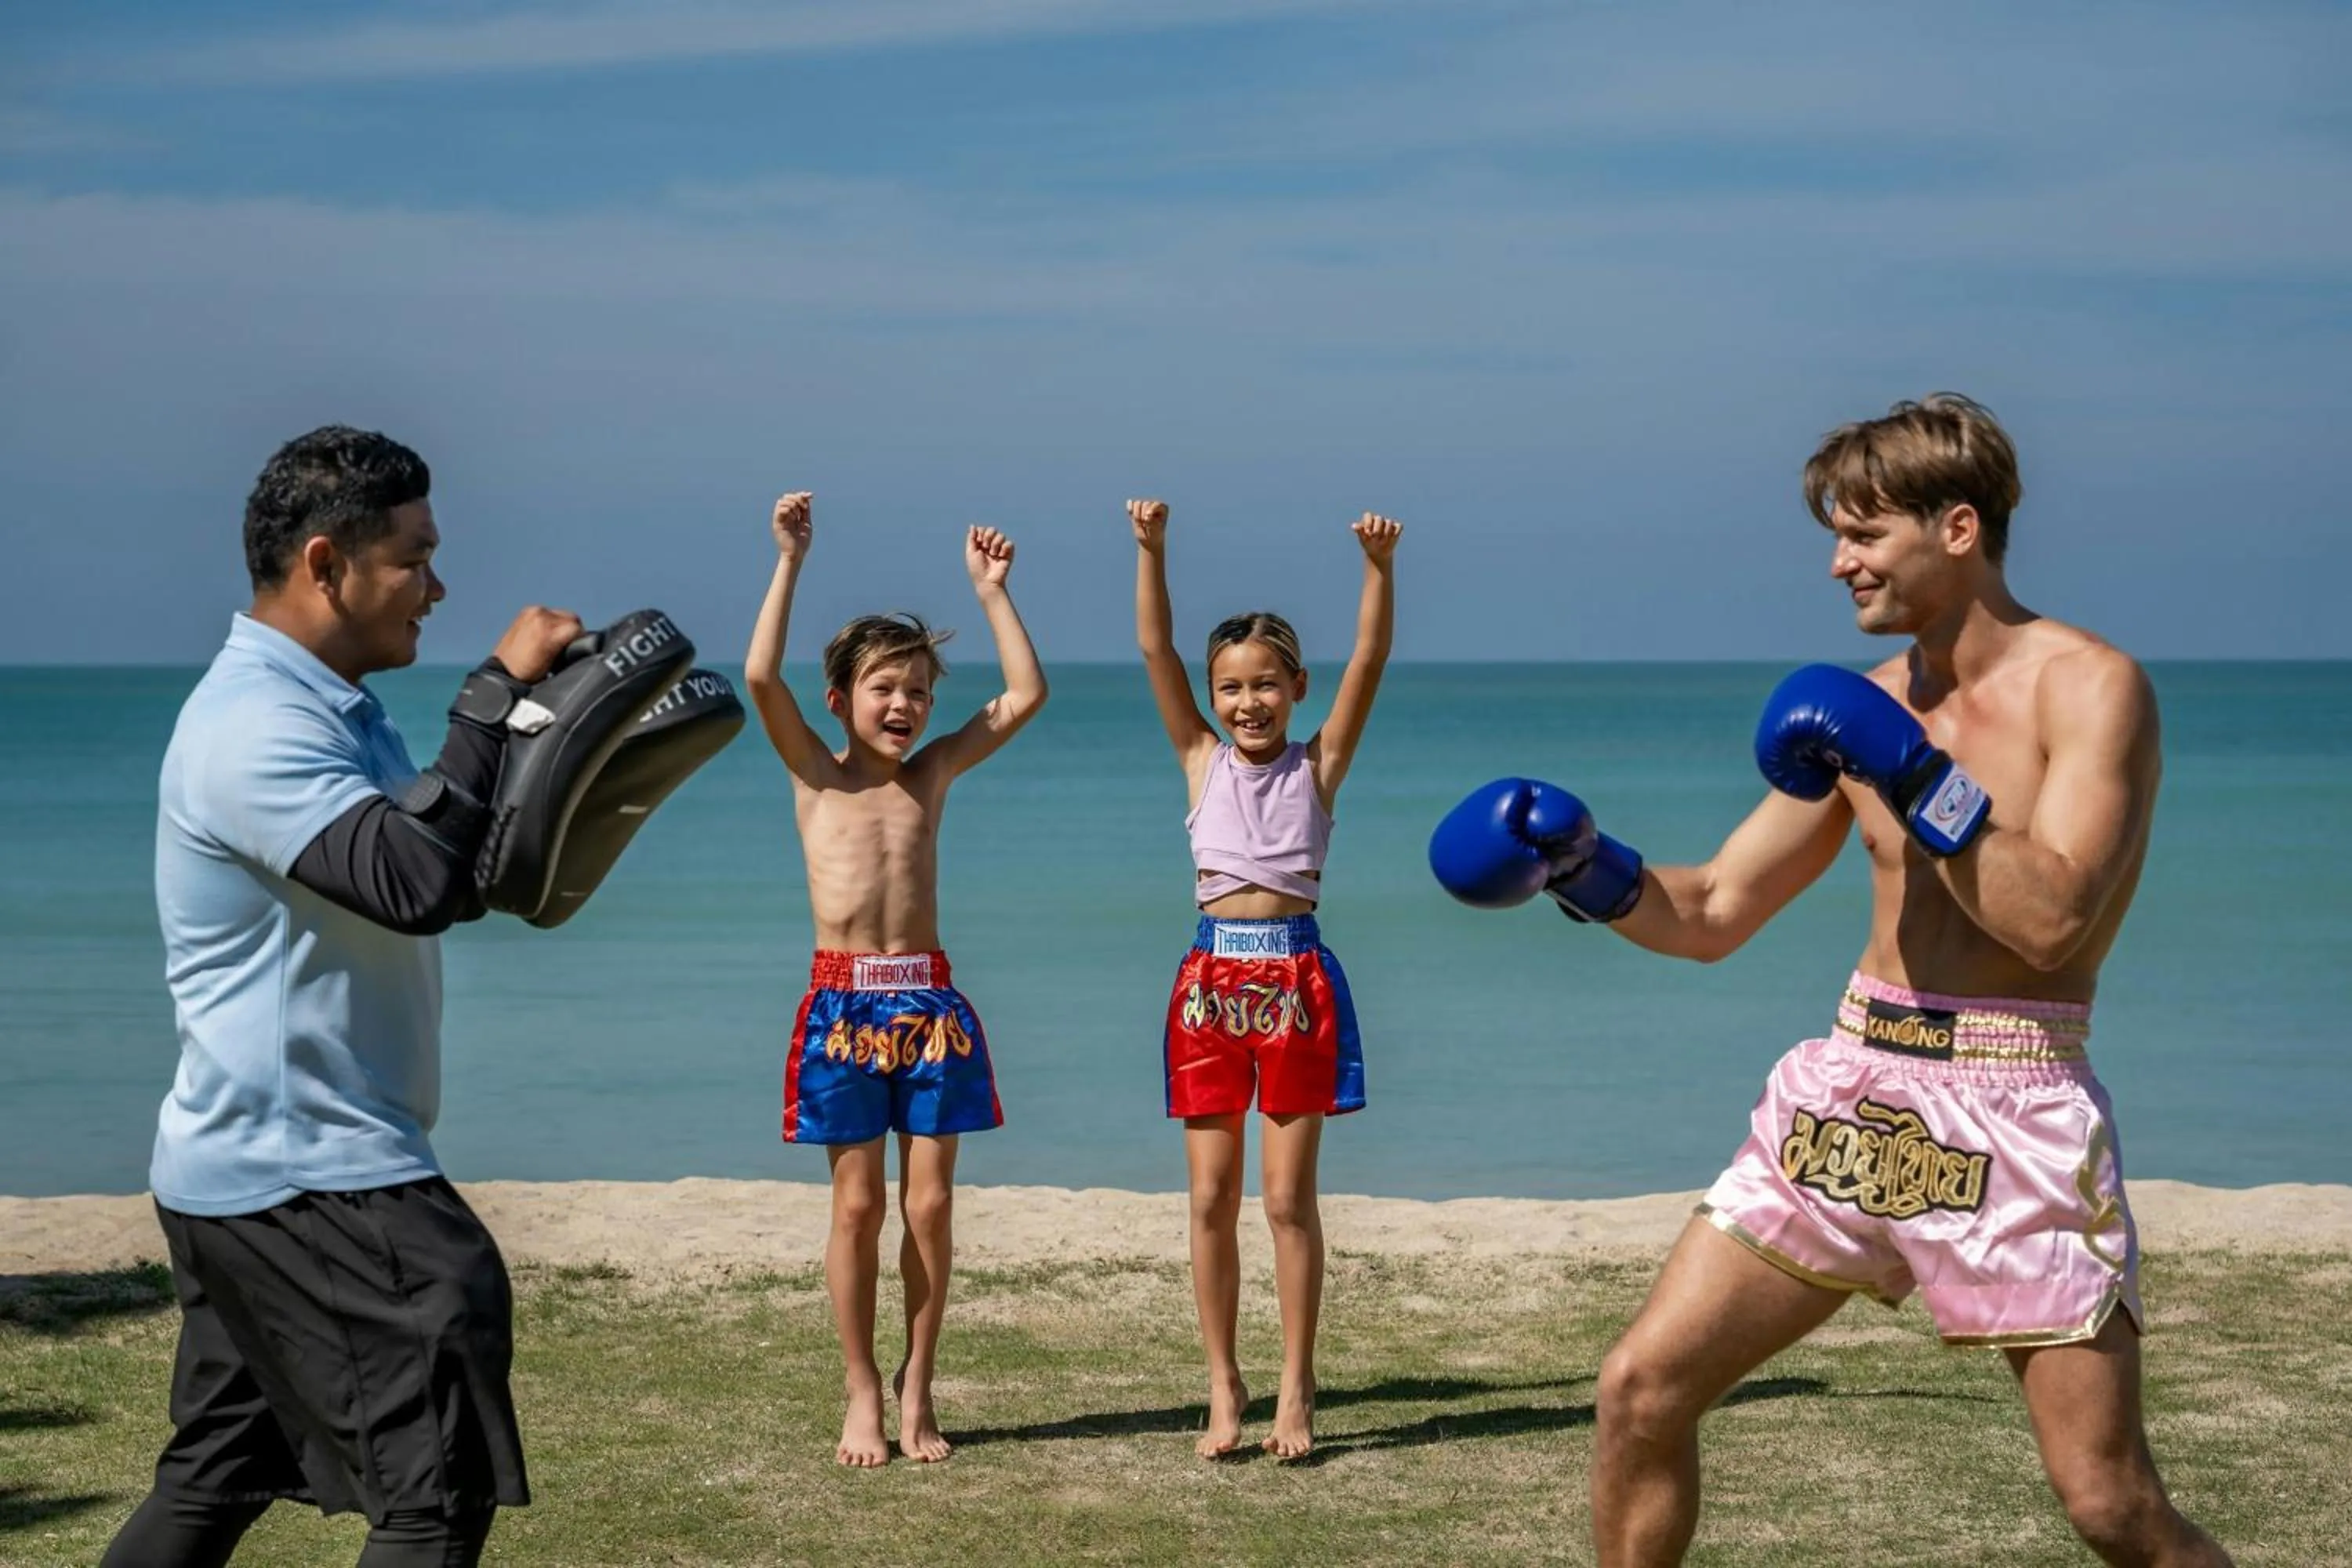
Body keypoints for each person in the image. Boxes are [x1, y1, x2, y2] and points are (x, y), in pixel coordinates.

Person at [1430, 394, 2230, 1566]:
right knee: (1641, 1389)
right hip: (1856, 1090)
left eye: (1863, 534)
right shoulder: (1867, 708)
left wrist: (1912, 770)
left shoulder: (2091, 689)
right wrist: (1583, 867)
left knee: (2109, 1503)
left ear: (1958, 529)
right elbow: (1713, 912)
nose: (1836, 561)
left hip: (2016, 1101)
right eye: (1836, 533)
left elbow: (2052, 918)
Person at [108, 426, 579, 1568]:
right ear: (327, 565)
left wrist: (551, 734)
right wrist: (494, 690)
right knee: (434, 1498)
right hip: (313, 1173)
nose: (438, 586)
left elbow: (449, 868)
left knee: (219, 1474)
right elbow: (412, 881)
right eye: (413, 558)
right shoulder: (253, 728)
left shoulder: (328, 709)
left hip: (258, 1169)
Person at [744, 492, 1047, 1468]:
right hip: (842, 1003)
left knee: (930, 1205)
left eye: (917, 688)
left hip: (930, 1006)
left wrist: (992, 594)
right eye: (884, 686)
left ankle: (919, 1383)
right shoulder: (815, 774)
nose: (904, 704)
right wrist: (790, 557)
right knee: (857, 1206)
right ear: (840, 698)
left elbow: (1025, 694)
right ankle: (862, 1390)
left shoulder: (933, 774)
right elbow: (757, 673)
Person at [1131, 497, 1401, 1460]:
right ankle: (1222, 1383)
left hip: (1296, 983)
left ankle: (1296, 1382)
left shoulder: (1316, 766)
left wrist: (1377, 568)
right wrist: (1153, 550)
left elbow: (1369, 664)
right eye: (1231, 687)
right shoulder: (1200, 756)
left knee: (1288, 1199)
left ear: (1294, 687)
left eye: (1266, 686)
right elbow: (1156, 652)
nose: (1248, 702)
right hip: (1209, 985)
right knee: (1209, 1197)